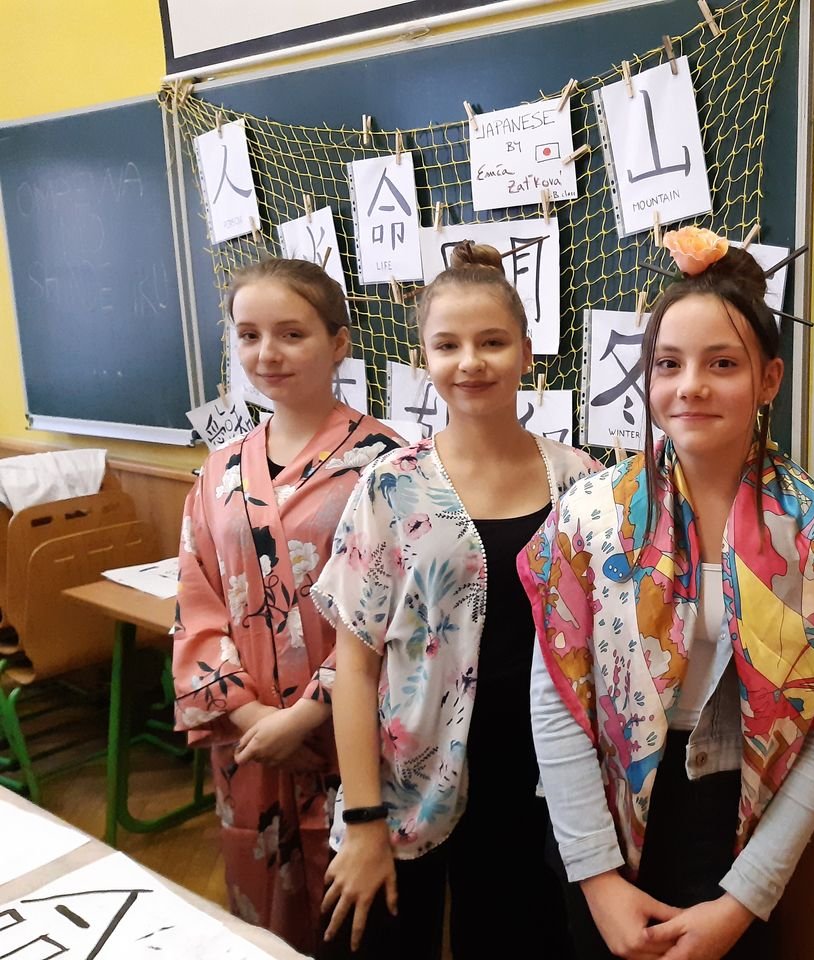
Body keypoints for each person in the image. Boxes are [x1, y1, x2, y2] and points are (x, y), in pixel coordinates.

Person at [521, 227, 814, 960]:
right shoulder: (592, 517)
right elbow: (556, 700)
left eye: (722, 363)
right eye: (668, 363)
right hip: (601, 814)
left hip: (741, 821)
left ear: (769, 380)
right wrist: (598, 879)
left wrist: (746, 898)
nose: (690, 385)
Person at [311, 241, 599, 958]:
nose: (470, 362)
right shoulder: (390, 487)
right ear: (425, 358)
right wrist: (365, 819)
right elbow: (355, 665)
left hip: (538, 783)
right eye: (448, 345)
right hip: (405, 781)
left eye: (492, 342)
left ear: (527, 351)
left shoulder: (583, 484)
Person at [172, 258, 403, 954]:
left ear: (339, 343)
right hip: (250, 744)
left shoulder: (391, 463)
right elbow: (197, 601)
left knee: (358, 927)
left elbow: (404, 612)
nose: (266, 353)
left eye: (291, 333)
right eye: (249, 335)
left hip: (353, 741)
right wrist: (251, 715)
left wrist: (307, 712)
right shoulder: (220, 470)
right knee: (261, 926)